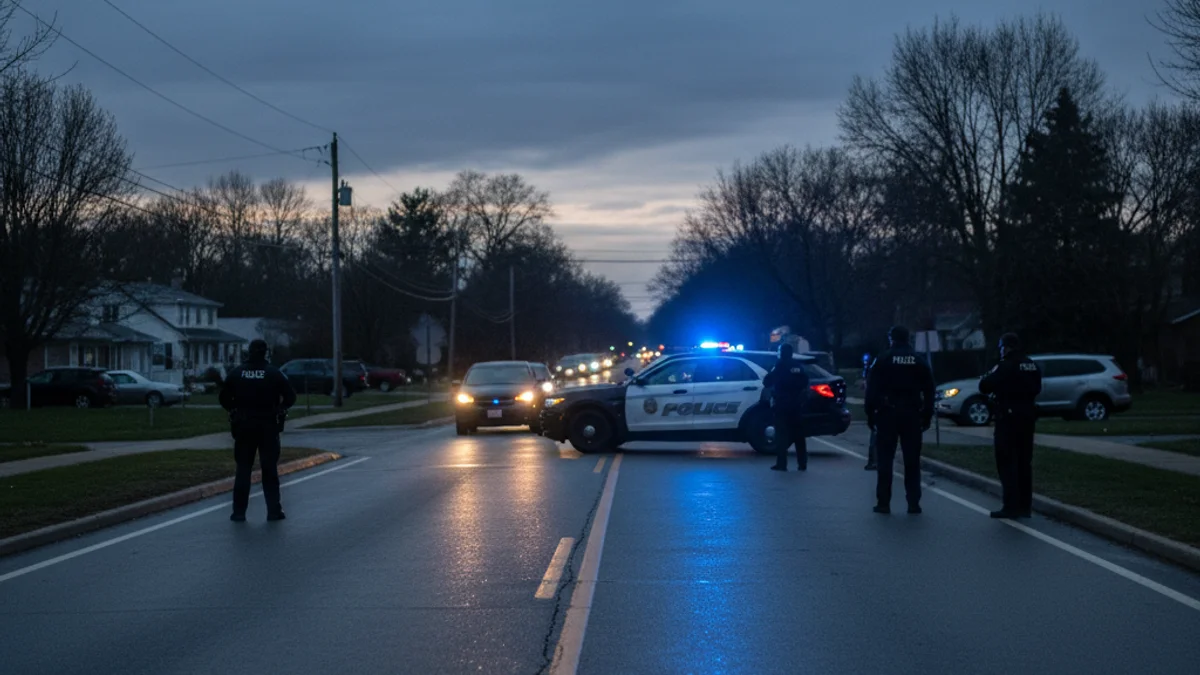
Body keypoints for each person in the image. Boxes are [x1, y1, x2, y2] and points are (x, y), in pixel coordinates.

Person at [219, 339, 297, 522]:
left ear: (248, 352)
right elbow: (291, 397)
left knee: (243, 469)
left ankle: (238, 512)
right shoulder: (273, 373)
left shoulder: (236, 373)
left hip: (244, 426)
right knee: (269, 469)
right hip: (267, 426)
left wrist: (234, 409)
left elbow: (223, 398)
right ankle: (273, 511)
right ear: (265, 353)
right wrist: (280, 408)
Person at [865, 325, 935, 514]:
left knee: (885, 460)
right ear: (908, 339)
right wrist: (927, 414)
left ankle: (884, 502)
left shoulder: (883, 359)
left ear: (892, 339)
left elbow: (871, 389)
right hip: (911, 415)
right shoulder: (918, 361)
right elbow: (929, 389)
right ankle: (913, 503)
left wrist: (870, 414)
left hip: (888, 414)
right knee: (912, 461)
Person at [978, 332, 1042, 519]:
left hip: (1008, 418)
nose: (1000, 350)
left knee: (1007, 463)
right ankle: (1025, 506)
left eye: (1001, 347)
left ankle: (1010, 506)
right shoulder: (1031, 364)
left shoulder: (1006, 365)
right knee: (1024, 463)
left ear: (1006, 347)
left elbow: (985, 385)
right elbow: (1037, 388)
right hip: (1027, 417)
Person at [763, 343, 810, 472]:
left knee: (782, 435)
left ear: (782, 353)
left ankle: (782, 463)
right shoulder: (798, 367)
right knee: (799, 436)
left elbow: (767, 381)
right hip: (796, 405)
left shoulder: (779, 366)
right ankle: (802, 463)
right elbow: (805, 382)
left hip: (782, 405)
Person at [862, 355, 878, 471]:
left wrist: (869, 411)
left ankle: (873, 461)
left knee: (876, 435)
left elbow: (870, 393)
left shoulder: (877, 369)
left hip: (880, 408)